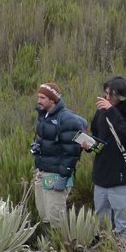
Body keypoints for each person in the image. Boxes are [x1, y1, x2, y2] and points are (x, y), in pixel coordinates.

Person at [88, 76, 126, 238]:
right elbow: (97, 135)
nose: (106, 98)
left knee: (123, 225)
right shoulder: (101, 111)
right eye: (105, 94)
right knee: (101, 224)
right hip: (101, 177)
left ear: (122, 96)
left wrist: (112, 111)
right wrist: (88, 145)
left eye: (111, 95)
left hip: (120, 180)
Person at [31, 82, 87, 231]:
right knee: (44, 217)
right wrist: (38, 147)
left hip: (56, 176)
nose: (39, 101)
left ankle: (63, 251)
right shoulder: (44, 116)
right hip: (42, 172)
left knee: (57, 220)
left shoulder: (67, 120)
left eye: (42, 97)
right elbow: (48, 141)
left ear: (53, 99)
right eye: (38, 97)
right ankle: (50, 251)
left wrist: (63, 178)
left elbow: (72, 152)